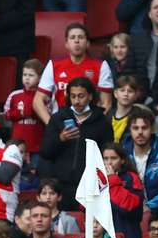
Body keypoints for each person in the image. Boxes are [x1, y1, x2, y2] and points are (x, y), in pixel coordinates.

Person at [39, 77, 113, 209]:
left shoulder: (102, 122)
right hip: (60, 185)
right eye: (73, 96)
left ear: (90, 96)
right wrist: (60, 139)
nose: (77, 100)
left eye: (81, 96)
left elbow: (106, 153)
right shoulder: (58, 118)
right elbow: (45, 151)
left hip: (89, 185)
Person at [121, 107, 158, 214]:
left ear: (152, 129)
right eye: (135, 128)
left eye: (144, 128)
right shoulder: (122, 155)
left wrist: (149, 207)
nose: (140, 132)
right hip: (127, 212)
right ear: (130, 129)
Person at [102, 143, 143, 238]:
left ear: (123, 160)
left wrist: (112, 180)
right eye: (105, 158)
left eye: (113, 158)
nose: (109, 162)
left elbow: (128, 206)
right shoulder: (98, 178)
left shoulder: (131, 178)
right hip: (103, 237)